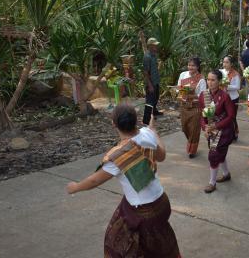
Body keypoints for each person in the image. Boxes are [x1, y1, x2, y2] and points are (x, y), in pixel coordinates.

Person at [66, 104, 180, 258]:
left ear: (114, 124)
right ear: (136, 120)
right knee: (160, 244)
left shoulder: (117, 156)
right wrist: (154, 131)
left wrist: (75, 187)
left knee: (116, 245)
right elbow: (162, 156)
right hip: (161, 202)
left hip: (144, 212)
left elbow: (94, 181)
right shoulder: (147, 133)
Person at [199, 70, 236, 194]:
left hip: (224, 131)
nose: (210, 82)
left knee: (213, 155)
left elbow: (231, 116)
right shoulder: (203, 95)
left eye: (213, 80)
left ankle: (212, 183)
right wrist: (205, 128)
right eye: (208, 79)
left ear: (219, 81)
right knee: (220, 154)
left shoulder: (225, 96)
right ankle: (226, 174)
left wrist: (216, 125)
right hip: (211, 131)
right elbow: (202, 115)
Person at [177, 57, 206, 158]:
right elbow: (178, 88)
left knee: (194, 130)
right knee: (185, 128)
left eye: (193, 65)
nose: (190, 67)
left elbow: (202, 95)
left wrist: (190, 93)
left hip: (195, 107)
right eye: (189, 65)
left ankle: (192, 150)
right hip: (184, 106)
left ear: (197, 67)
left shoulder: (201, 79)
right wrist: (181, 92)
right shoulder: (183, 75)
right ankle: (191, 141)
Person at [221, 56, 241, 140]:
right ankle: (225, 133)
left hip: (233, 98)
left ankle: (234, 133)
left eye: (227, 62)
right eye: (224, 62)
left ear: (231, 64)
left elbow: (237, 87)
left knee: (232, 116)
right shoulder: (220, 72)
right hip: (222, 97)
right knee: (223, 116)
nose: (224, 64)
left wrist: (226, 86)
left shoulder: (235, 74)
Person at [143, 37, 162, 116]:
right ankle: (147, 117)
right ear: (150, 46)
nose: (156, 47)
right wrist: (150, 85)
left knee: (155, 98)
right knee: (150, 100)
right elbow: (145, 72)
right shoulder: (147, 57)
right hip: (150, 82)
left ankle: (154, 112)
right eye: (154, 45)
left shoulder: (154, 55)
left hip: (155, 81)